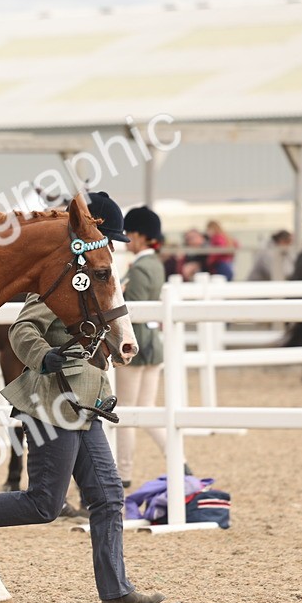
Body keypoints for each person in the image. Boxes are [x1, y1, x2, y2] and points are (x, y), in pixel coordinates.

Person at [0, 191, 166, 603]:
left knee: (108, 495)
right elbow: (22, 332)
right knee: (43, 503)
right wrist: (45, 357)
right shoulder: (65, 278)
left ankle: (116, 590)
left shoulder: (94, 279)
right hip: (52, 402)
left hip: (85, 402)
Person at [114, 207, 177, 487]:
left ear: (140, 236)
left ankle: (124, 473)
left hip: (137, 344)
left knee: (126, 410)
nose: (127, 239)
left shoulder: (139, 269)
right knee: (148, 409)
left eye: (130, 234)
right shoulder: (156, 264)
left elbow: (132, 314)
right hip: (154, 344)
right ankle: (177, 457)